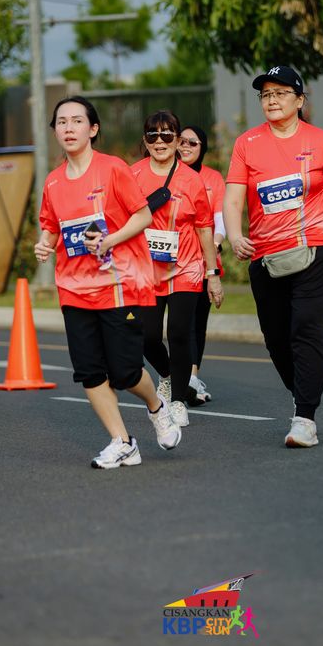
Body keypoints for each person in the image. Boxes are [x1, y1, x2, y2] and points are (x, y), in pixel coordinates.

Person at [224, 65, 323, 448]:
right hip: (266, 255)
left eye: (280, 93)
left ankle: (305, 419)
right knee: (276, 339)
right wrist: (234, 235)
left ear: (299, 100)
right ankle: (303, 395)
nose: (272, 100)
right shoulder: (246, 144)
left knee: (306, 331)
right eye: (265, 94)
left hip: (317, 248)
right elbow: (232, 199)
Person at [34, 96, 181, 470]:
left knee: (125, 372)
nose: (68, 128)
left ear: (93, 129)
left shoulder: (113, 169)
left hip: (118, 284)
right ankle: (122, 442)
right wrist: (44, 244)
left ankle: (156, 406)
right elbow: (51, 225)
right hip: (74, 288)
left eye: (76, 121)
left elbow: (143, 215)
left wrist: (110, 240)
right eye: (61, 122)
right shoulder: (53, 182)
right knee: (89, 371)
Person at [131, 110, 224, 428]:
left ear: (176, 139)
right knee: (147, 336)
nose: (160, 141)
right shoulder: (132, 175)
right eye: (153, 135)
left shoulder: (192, 179)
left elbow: (204, 229)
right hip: (146, 269)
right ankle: (168, 375)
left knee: (180, 333)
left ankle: (179, 400)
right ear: (145, 140)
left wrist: (212, 275)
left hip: (186, 267)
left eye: (167, 135)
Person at [179, 125, 226, 405]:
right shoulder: (167, 175)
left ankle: (191, 378)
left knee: (196, 321)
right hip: (173, 263)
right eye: (182, 141)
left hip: (204, 261)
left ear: (202, 148)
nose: (185, 147)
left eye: (192, 143)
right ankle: (177, 376)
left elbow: (220, 219)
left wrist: (215, 244)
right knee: (178, 323)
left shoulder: (212, 178)